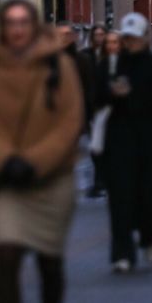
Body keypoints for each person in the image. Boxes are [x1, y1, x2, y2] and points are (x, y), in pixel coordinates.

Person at [0, 0, 85, 303]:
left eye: (23, 23)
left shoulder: (60, 66)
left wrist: (36, 161)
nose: (17, 30)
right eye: (10, 23)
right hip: (6, 179)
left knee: (49, 262)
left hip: (52, 179)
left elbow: (70, 121)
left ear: (33, 26)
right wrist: (4, 159)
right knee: (6, 256)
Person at [97, 14, 152, 272]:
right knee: (119, 200)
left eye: (134, 38)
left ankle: (149, 236)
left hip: (147, 143)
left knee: (147, 197)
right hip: (118, 142)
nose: (130, 43)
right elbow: (95, 96)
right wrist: (111, 92)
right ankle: (122, 252)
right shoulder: (112, 65)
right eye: (127, 39)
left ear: (145, 38)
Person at [56, 21, 102, 199]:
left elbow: (89, 86)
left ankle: (95, 182)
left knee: (89, 149)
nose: (63, 38)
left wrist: (90, 112)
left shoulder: (81, 60)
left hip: (79, 113)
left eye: (66, 34)